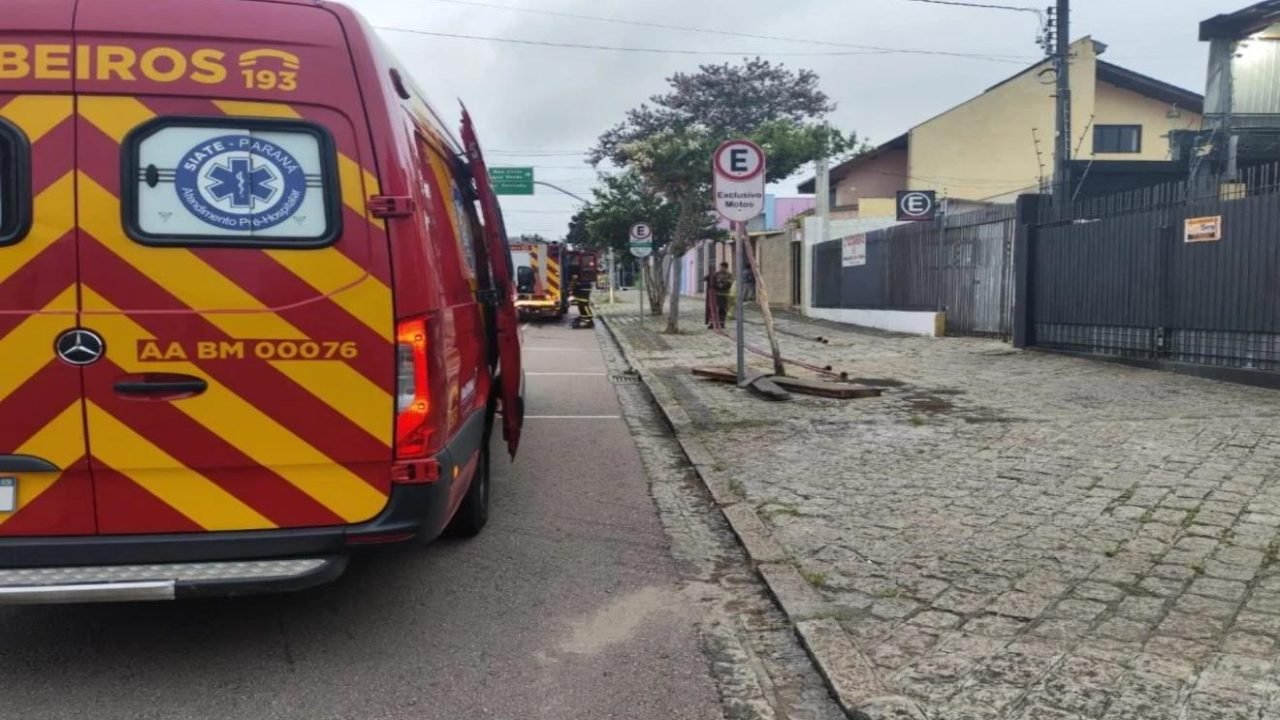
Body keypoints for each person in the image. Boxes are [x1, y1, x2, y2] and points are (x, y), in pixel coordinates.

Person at [710, 262, 734, 329]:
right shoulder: (716, 274)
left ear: (726, 268)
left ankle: (722, 323)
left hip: (724, 294)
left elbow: (729, 284)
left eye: (722, 267)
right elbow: (713, 282)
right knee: (714, 309)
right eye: (720, 267)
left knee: (722, 309)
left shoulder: (729, 275)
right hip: (716, 295)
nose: (721, 268)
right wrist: (717, 285)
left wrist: (722, 285)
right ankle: (713, 324)